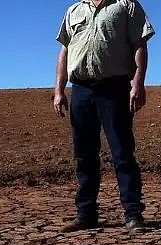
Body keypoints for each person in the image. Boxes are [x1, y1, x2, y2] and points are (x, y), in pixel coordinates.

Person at [53, 0, 155, 232]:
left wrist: (138, 83)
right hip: (80, 89)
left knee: (122, 153)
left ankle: (133, 214)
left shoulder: (126, 5)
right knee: (84, 155)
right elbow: (65, 51)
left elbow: (139, 44)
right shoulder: (74, 10)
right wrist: (59, 90)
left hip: (114, 88)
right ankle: (86, 214)